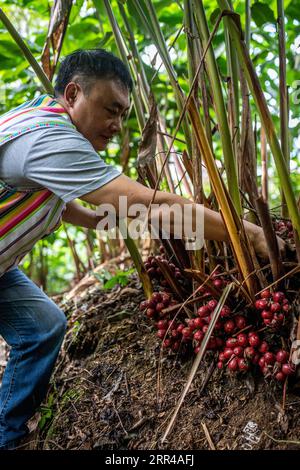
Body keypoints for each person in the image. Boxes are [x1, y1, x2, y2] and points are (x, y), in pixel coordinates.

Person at [0, 49, 284, 450]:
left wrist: (111, 218)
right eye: (110, 110)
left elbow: (57, 203)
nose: (117, 125)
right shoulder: (50, 139)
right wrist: (249, 234)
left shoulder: (36, 116)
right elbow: (155, 205)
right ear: (73, 93)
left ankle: (7, 438)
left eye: (123, 114)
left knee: (42, 327)